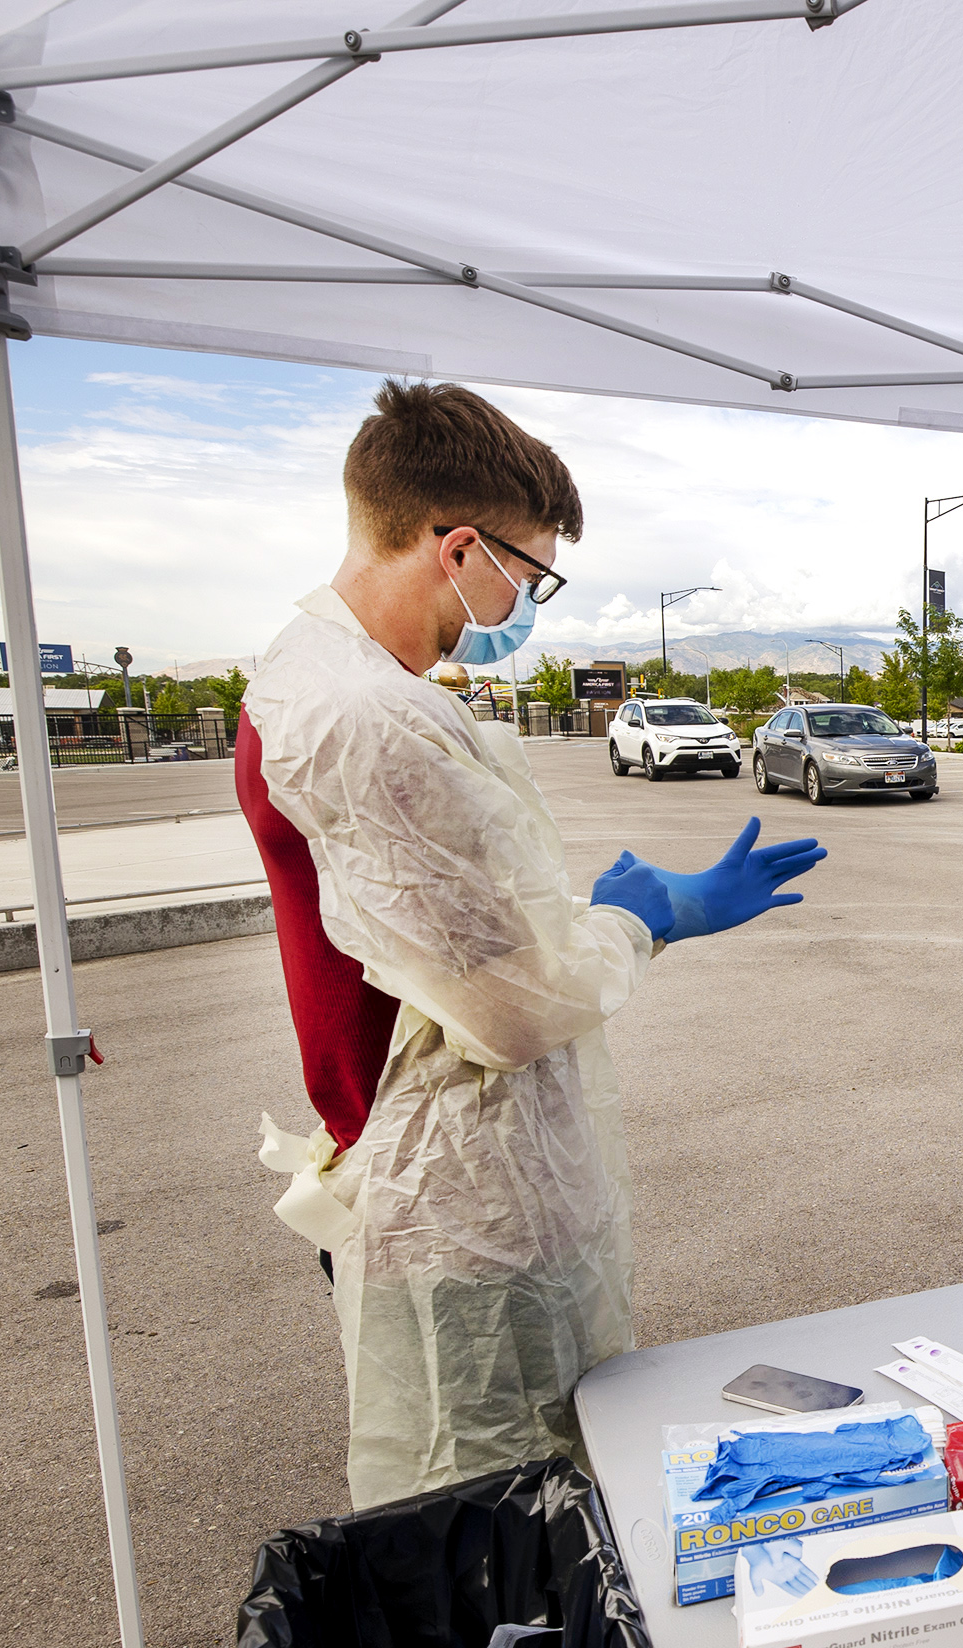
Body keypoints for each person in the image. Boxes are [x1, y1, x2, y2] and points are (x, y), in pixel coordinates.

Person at [238, 380, 824, 1508]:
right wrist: (641, 919)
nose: (528, 598)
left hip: (431, 1169)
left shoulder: (311, 674)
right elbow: (506, 1008)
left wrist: (575, 918)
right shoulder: (370, 719)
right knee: (505, 1515)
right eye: (530, 571)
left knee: (509, 1507)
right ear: (458, 547)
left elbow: (430, 934)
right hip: (466, 1201)